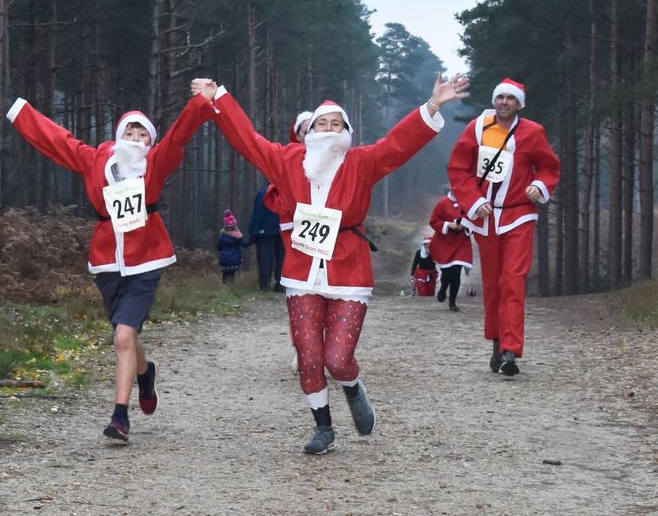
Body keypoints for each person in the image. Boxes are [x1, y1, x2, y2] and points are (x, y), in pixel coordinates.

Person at [195, 73, 471, 454]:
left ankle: (352, 384)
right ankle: (323, 427)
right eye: (321, 124)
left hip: (349, 269)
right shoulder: (289, 161)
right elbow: (248, 141)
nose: (328, 129)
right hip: (301, 270)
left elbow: (398, 144)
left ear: (347, 132)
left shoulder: (362, 162)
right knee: (309, 355)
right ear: (309, 132)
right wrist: (219, 98)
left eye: (336, 124)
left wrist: (433, 105)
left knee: (337, 359)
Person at [7, 82, 213, 442]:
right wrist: (20, 112)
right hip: (107, 261)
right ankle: (145, 374)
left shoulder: (156, 164)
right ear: (118, 136)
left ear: (150, 143)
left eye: (143, 134)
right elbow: (59, 141)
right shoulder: (96, 160)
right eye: (129, 132)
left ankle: (120, 417)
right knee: (126, 332)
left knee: (122, 336)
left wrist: (201, 103)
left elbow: (180, 135)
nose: (135, 138)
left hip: (147, 258)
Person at [447, 77, 560, 378]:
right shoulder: (477, 128)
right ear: (494, 100)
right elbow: (459, 169)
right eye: (501, 98)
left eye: (511, 98)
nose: (505, 103)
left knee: (513, 279)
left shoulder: (533, 132)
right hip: (486, 218)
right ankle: (497, 343)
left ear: (519, 103)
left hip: (519, 215)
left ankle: (511, 349)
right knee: (494, 283)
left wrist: (539, 185)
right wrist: (473, 201)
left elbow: (550, 167)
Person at [427, 188, 475, 311]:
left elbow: (475, 219)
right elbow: (433, 221)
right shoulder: (443, 203)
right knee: (447, 273)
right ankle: (443, 288)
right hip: (444, 242)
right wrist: (448, 224)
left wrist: (465, 225)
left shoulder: (468, 203)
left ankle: (452, 301)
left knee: (456, 272)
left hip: (461, 242)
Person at [249, 182, 285, 291]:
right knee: (281, 257)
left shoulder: (264, 192)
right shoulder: (284, 190)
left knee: (265, 257)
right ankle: (280, 284)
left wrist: (254, 231)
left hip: (265, 230)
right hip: (283, 227)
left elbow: (258, 212)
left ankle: (265, 285)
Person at [217, 209, 251, 283]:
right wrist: (253, 239)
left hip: (224, 260)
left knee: (225, 275)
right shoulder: (237, 236)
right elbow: (245, 244)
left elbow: (219, 247)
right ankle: (232, 289)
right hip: (234, 259)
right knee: (231, 275)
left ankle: (224, 289)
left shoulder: (222, 235)